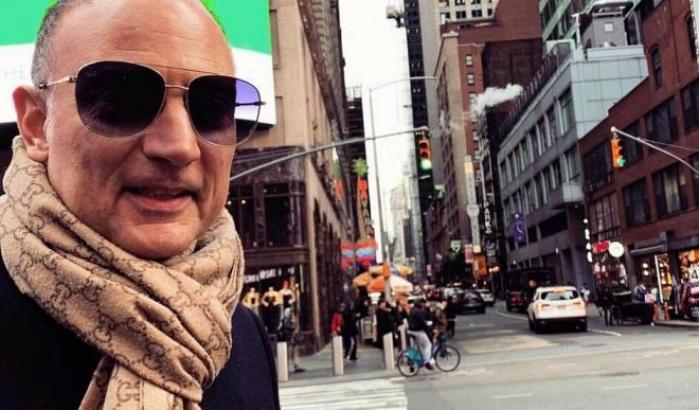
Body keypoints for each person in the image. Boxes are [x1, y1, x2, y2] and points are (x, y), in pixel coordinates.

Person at [0, 1, 280, 409]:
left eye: (211, 108)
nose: (179, 146)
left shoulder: (245, 337)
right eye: (123, 99)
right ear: (37, 124)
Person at [408, 300, 434, 370]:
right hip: (417, 331)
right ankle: (427, 362)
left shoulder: (412, 310)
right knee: (428, 345)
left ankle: (414, 364)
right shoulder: (418, 312)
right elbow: (422, 323)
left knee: (420, 347)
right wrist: (429, 328)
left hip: (411, 331)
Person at [278, 307, 305, 374]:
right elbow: (291, 328)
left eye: (292, 313)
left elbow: (296, 328)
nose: (292, 314)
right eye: (291, 313)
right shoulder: (285, 321)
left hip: (293, 339)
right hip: (288, 339)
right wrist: (294, 322)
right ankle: (288, 367)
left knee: (295, 352)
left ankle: (296, 366)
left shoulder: (291, 320)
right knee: (289, 353)